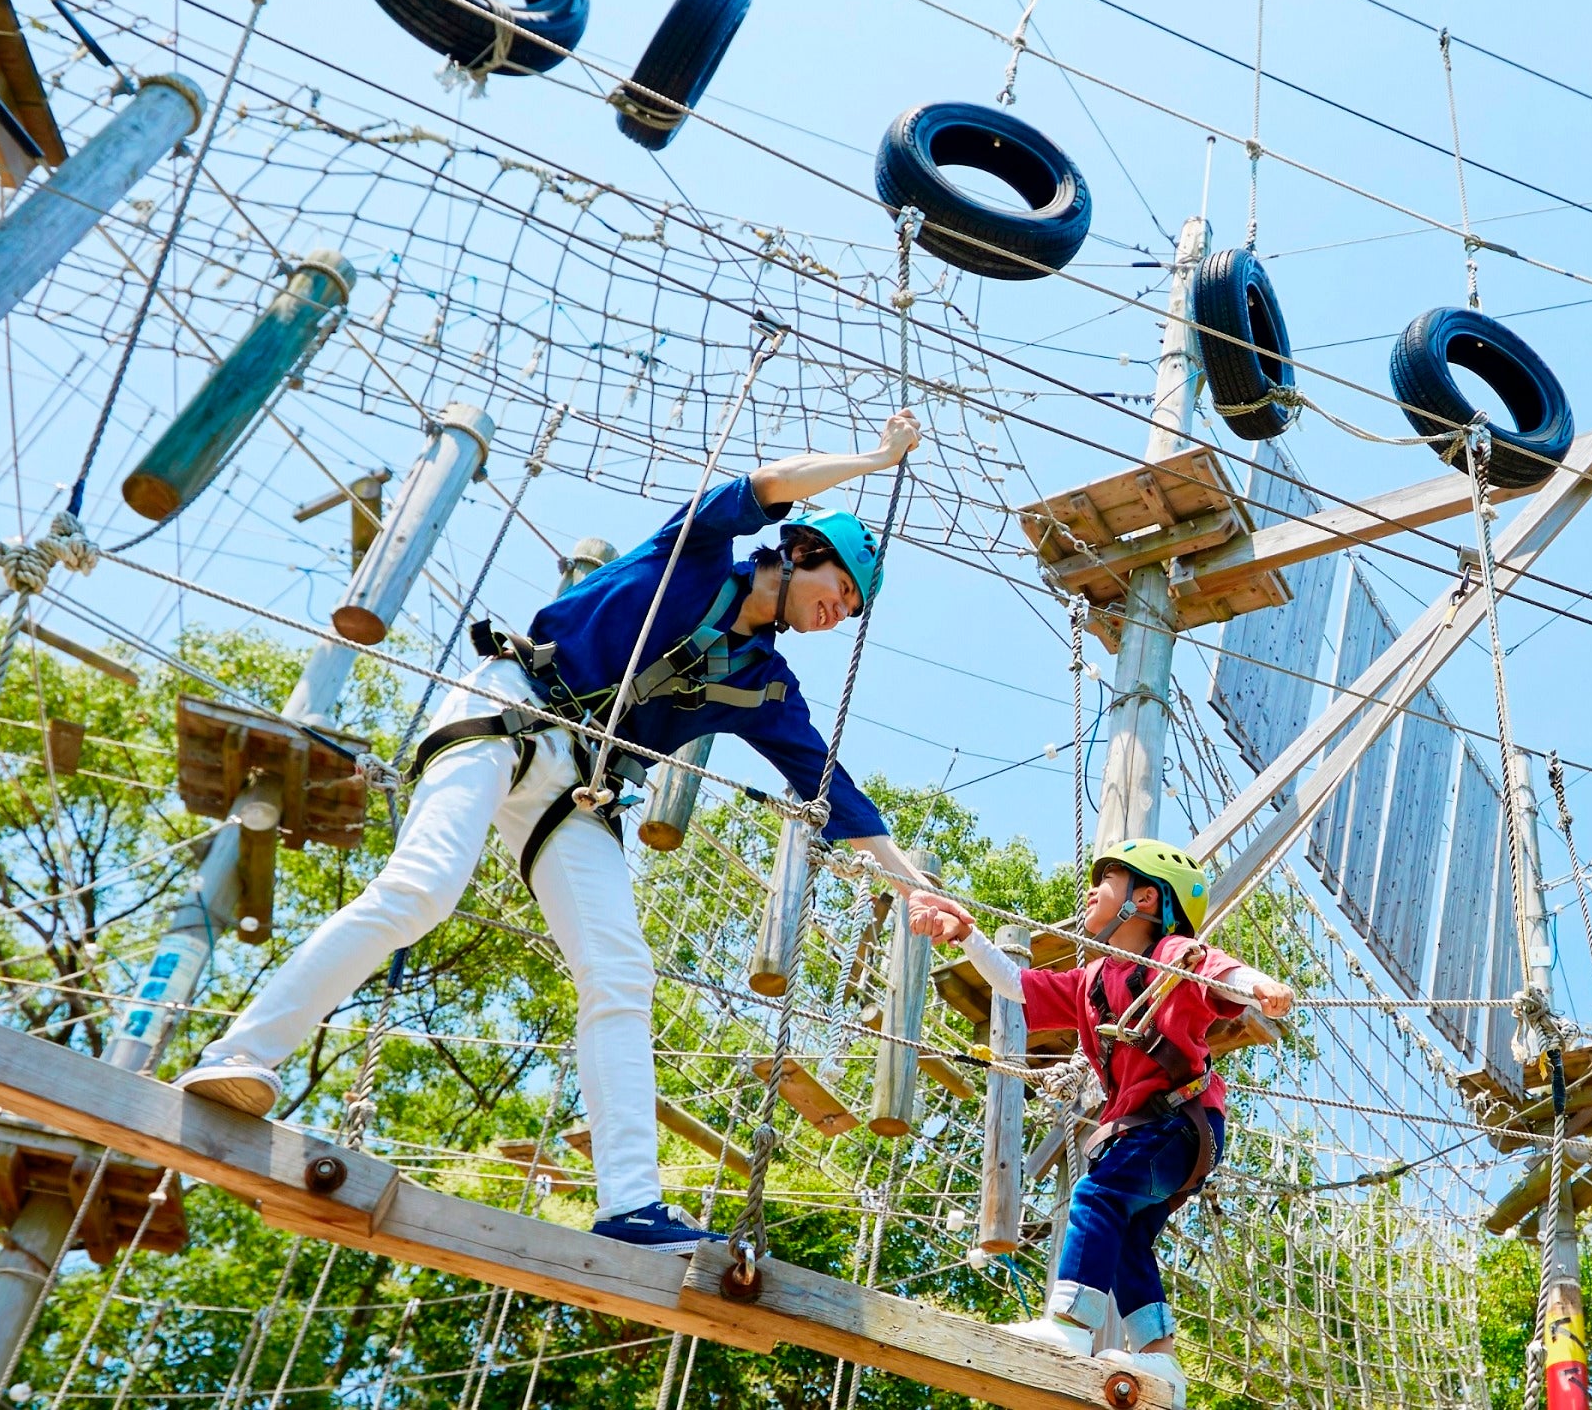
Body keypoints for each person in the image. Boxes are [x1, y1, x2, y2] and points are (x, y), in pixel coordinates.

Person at [175, 413, 944, 1253]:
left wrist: (918, 888)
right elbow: (769, 483)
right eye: (840, 590)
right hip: (509, 709)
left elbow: (835, 791)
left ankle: (630, 1206)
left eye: (852, 611)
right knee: (423, 887)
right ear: (799, 550)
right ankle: (243, 1053)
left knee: (620, 973)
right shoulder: (690, 552)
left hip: (581, 789)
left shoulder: (764, 685)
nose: (840, 613)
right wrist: (875, 460)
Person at [909, 840, 1295, 1407]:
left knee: (1096, 1196)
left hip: (1180, 1122)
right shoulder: (1091, 981)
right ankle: (1160, 1360)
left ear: (1144, 898)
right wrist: (967, 935)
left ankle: (1071, 1323)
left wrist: (1261, 987)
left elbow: (1223, 972)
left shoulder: (1173, 954)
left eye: (1107, 880)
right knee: (1131, 1238)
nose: (1091, 890)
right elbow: (1018, 987)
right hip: (1154, 1131)